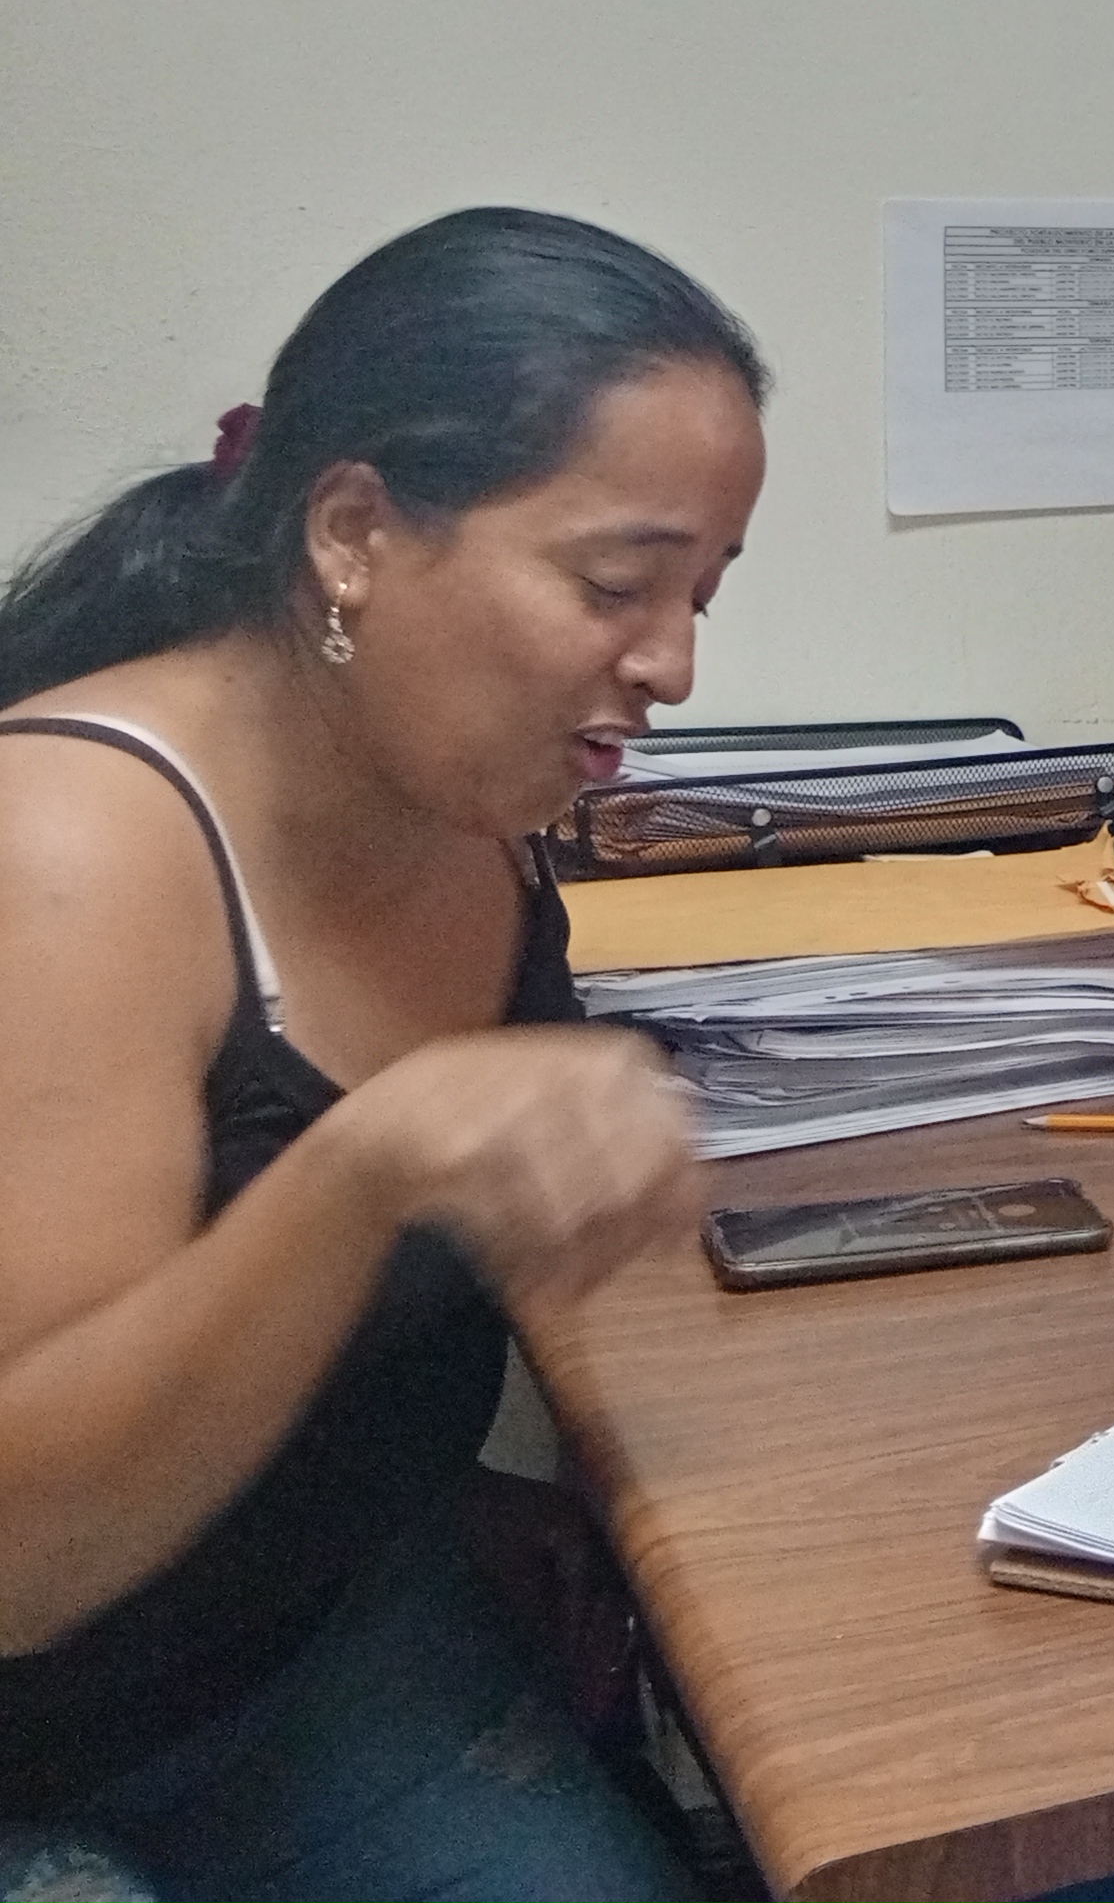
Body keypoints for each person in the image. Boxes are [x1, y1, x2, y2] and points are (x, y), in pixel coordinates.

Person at [0, 208, 767, 1903]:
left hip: (294, 1649)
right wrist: (366, 1164)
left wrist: (447, 1498)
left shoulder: (473, 804)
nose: (671, 663)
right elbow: (23, 1558)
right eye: (614, 585)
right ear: (353, 531)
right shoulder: (66, 845)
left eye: (701, 594)